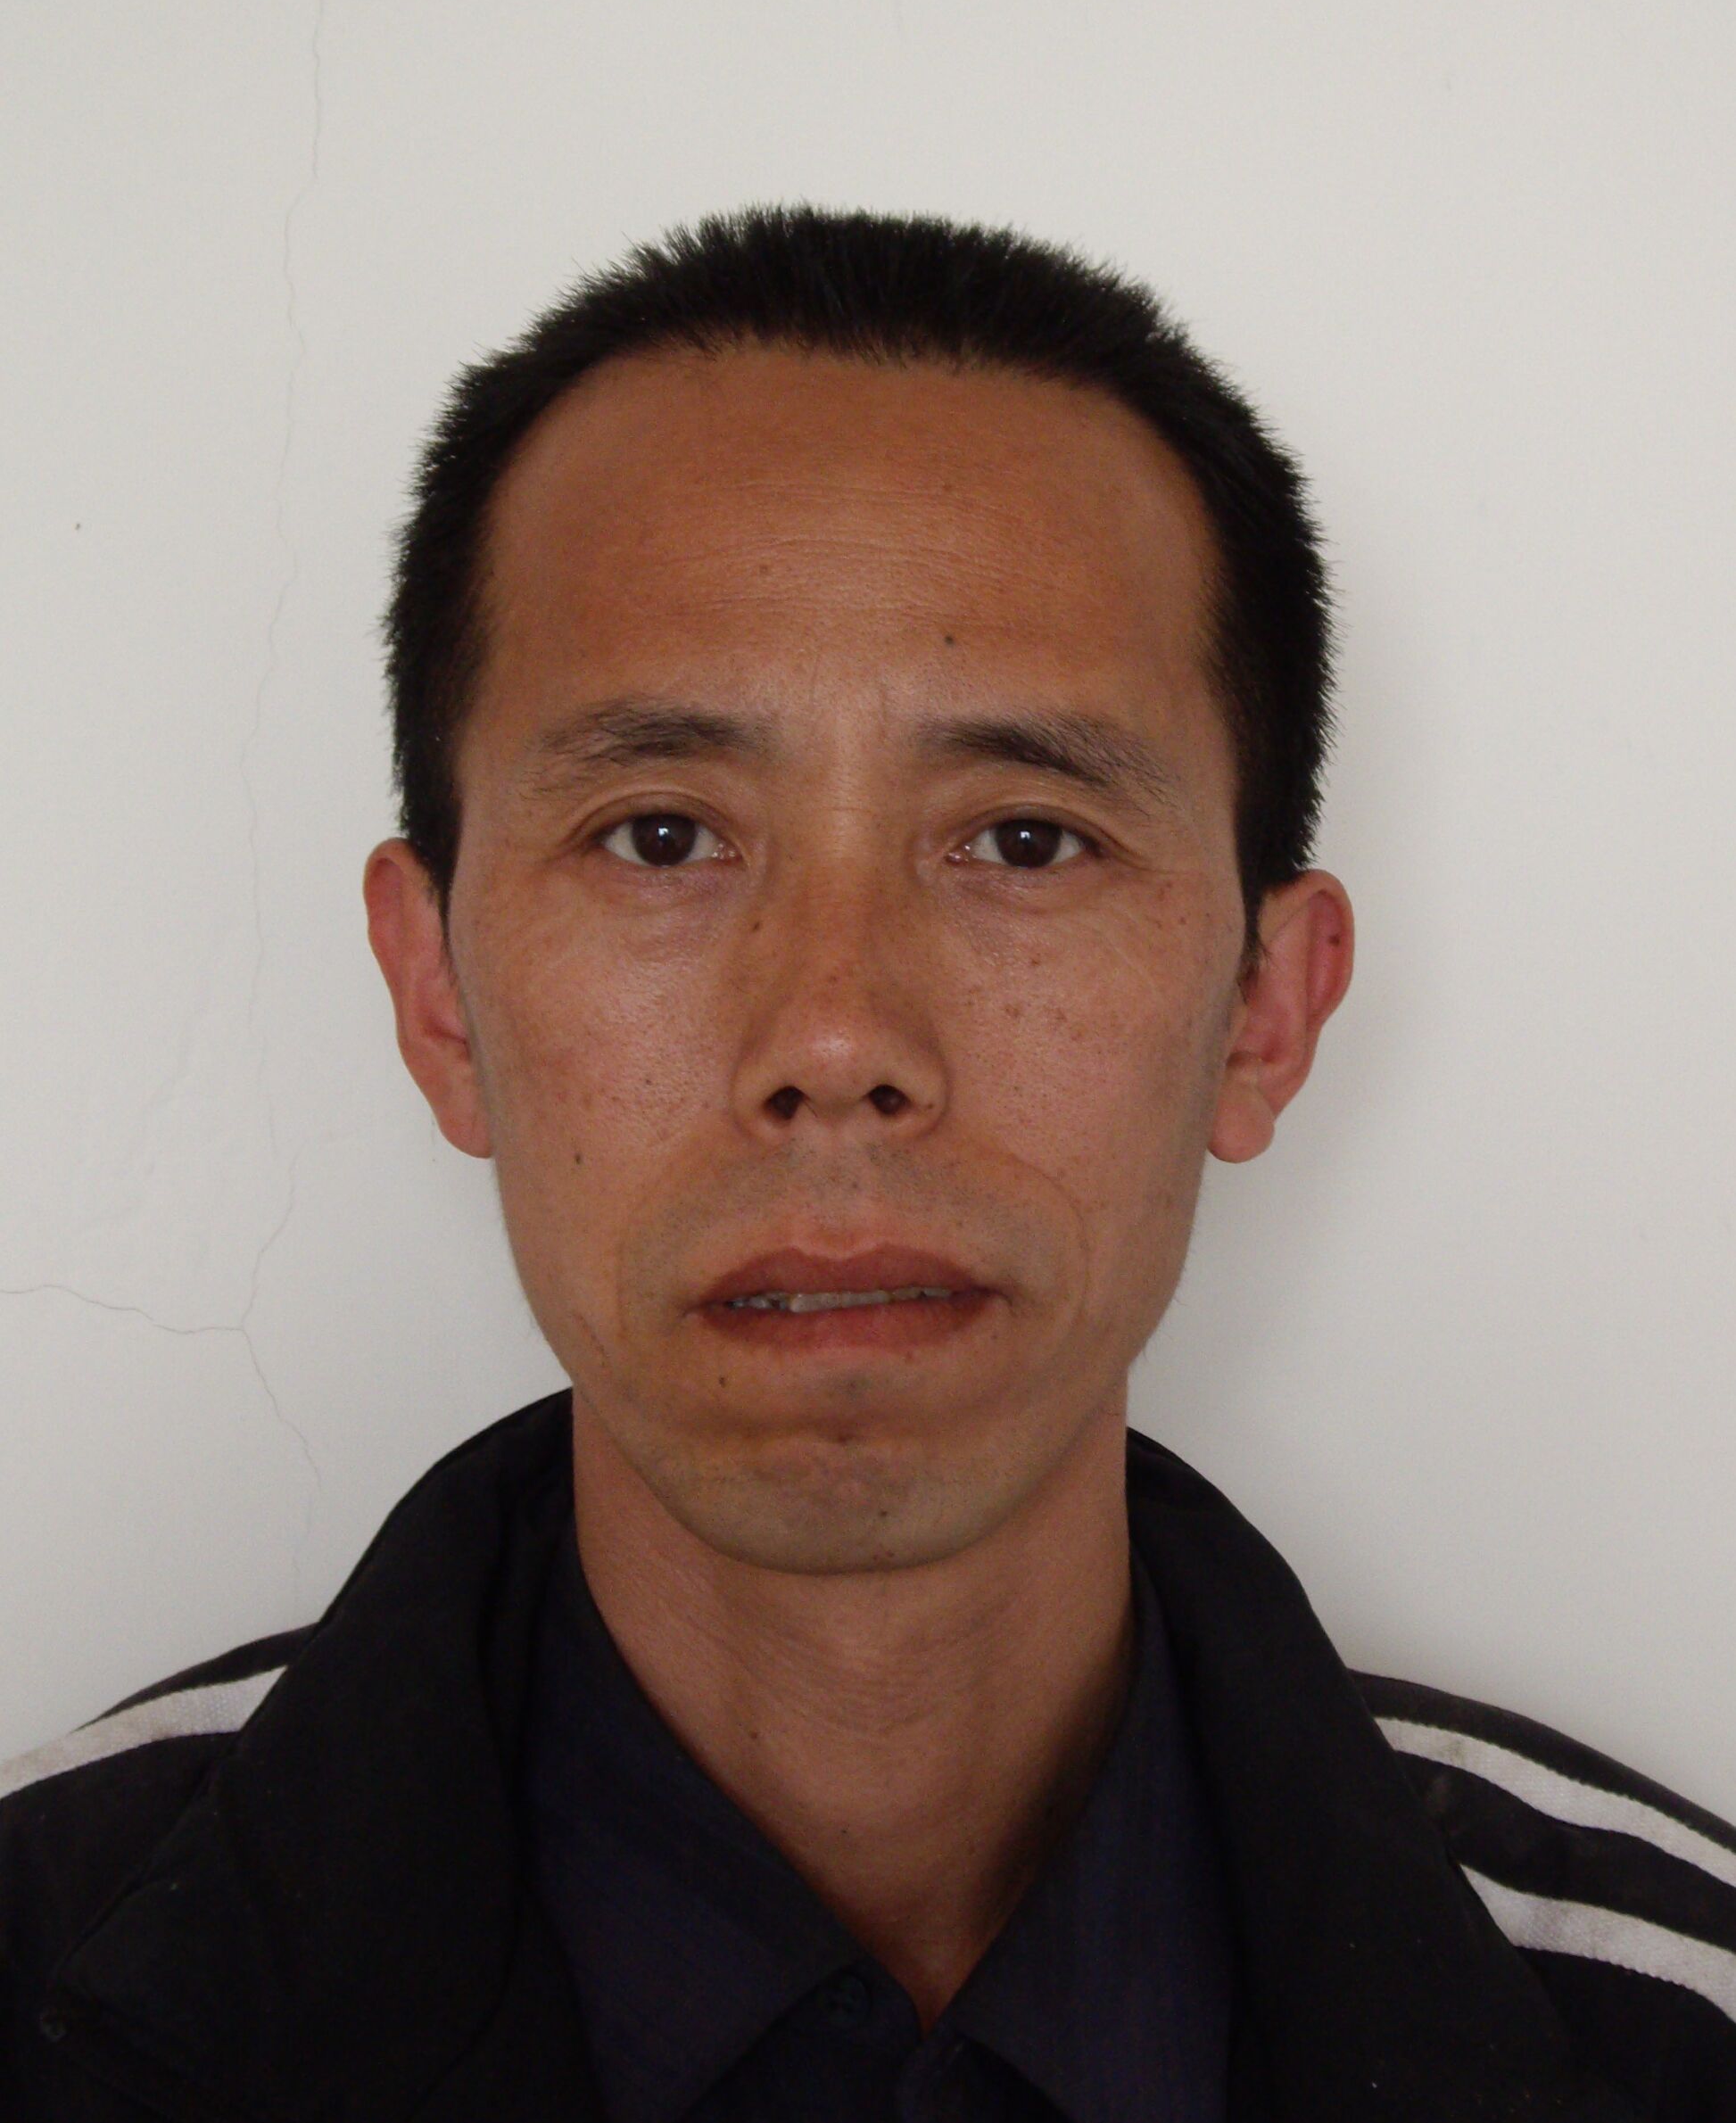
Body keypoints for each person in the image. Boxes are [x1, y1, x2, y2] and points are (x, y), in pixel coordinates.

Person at [3, 204, 1732, 2121]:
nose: (834, 1039)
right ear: (437, 995)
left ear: (1263, 1006)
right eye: (661, 836)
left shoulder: (1677, 2040)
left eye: (1025, 839)